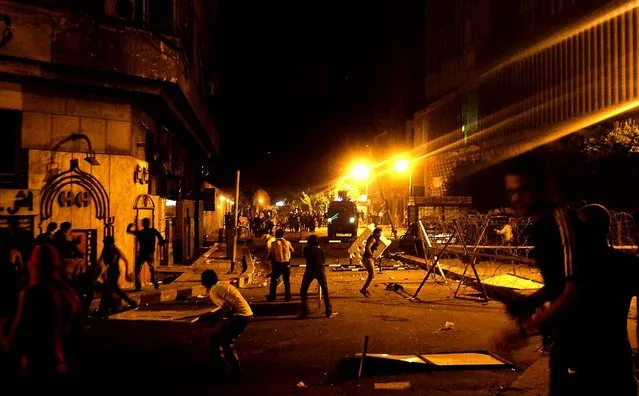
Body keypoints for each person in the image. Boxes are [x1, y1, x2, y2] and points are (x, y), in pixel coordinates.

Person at [492, 152, 587, 395]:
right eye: (511, 191)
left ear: (542, 186)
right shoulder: (542, 226)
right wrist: (528, 302)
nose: (516, 199)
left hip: (589, 351)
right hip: (567, 345)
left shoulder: (559, 223)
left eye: (523, 190)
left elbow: (573, 292)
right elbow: (559, 282)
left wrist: (525, 330)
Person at [573, 204, 638, 394]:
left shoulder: (575, 269)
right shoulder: (626, 264)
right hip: (617, 358)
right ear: (607, 230)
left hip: (586, 361)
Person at [5, 244, 82, 379]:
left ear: (33, 265)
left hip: (37, 366)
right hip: (61, 365)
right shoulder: (69, 295)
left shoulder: (32, 293)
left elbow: (16, 339)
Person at [200, 270, 253, 374]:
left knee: (225, 340)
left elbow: (227, 308)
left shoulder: (213, 291)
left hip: (240, 316)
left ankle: (234, 367)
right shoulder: (223, 285)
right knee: (217, 337)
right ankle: (224, 365)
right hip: (247, 313)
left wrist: (217, 320)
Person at [95, 236, 137, 316]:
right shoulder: (106, 250)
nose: (104, 244)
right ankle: (106, 307)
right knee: (110, 289)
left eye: (105, 243)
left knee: (111, 289)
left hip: (114, 272)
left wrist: (126, 273)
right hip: (108, 272)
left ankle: (112, 306)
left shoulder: (115, 251)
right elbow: (101, 259)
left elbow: (124, 260)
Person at [299, 235, 331, 318]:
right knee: (325, 289)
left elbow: (305, 256)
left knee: (303, 290)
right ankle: (328, 310)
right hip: (320, 270)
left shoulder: (306, 249)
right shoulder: (320, 250)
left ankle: (304, 310)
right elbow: (323, 261)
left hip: (309, 270)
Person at [127, 218, 164, 291]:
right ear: (149, 223)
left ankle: (138, 286)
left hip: (142, 253)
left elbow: (128, 231)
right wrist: (161, 243)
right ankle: (154, 281)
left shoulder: (141, 232)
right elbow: (160, 237)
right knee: (151, 267)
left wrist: (130, 226)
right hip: (150, 253)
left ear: (143, 224)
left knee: (137, 270)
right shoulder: (153, 230)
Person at [267, 228, 294, 301]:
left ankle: (272, 297)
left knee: (273, 280)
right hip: (286, 263)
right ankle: (288, 297)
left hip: (278, 263)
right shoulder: (287, 242)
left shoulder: (274, 243)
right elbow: (292, 250)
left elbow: (272, 254)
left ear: (276, 235)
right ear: (283, 235)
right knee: (286, 281)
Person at [360, 227, 382, 297]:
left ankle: (364, 289)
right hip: (368, 258)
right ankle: (364, 290)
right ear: (377, 233)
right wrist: (372, 255)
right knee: (371, 274)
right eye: (380, 232)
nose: (381, 234)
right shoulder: (372, 239)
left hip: (369, 258)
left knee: (371, 275)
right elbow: (368, 247)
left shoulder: (375, 238)